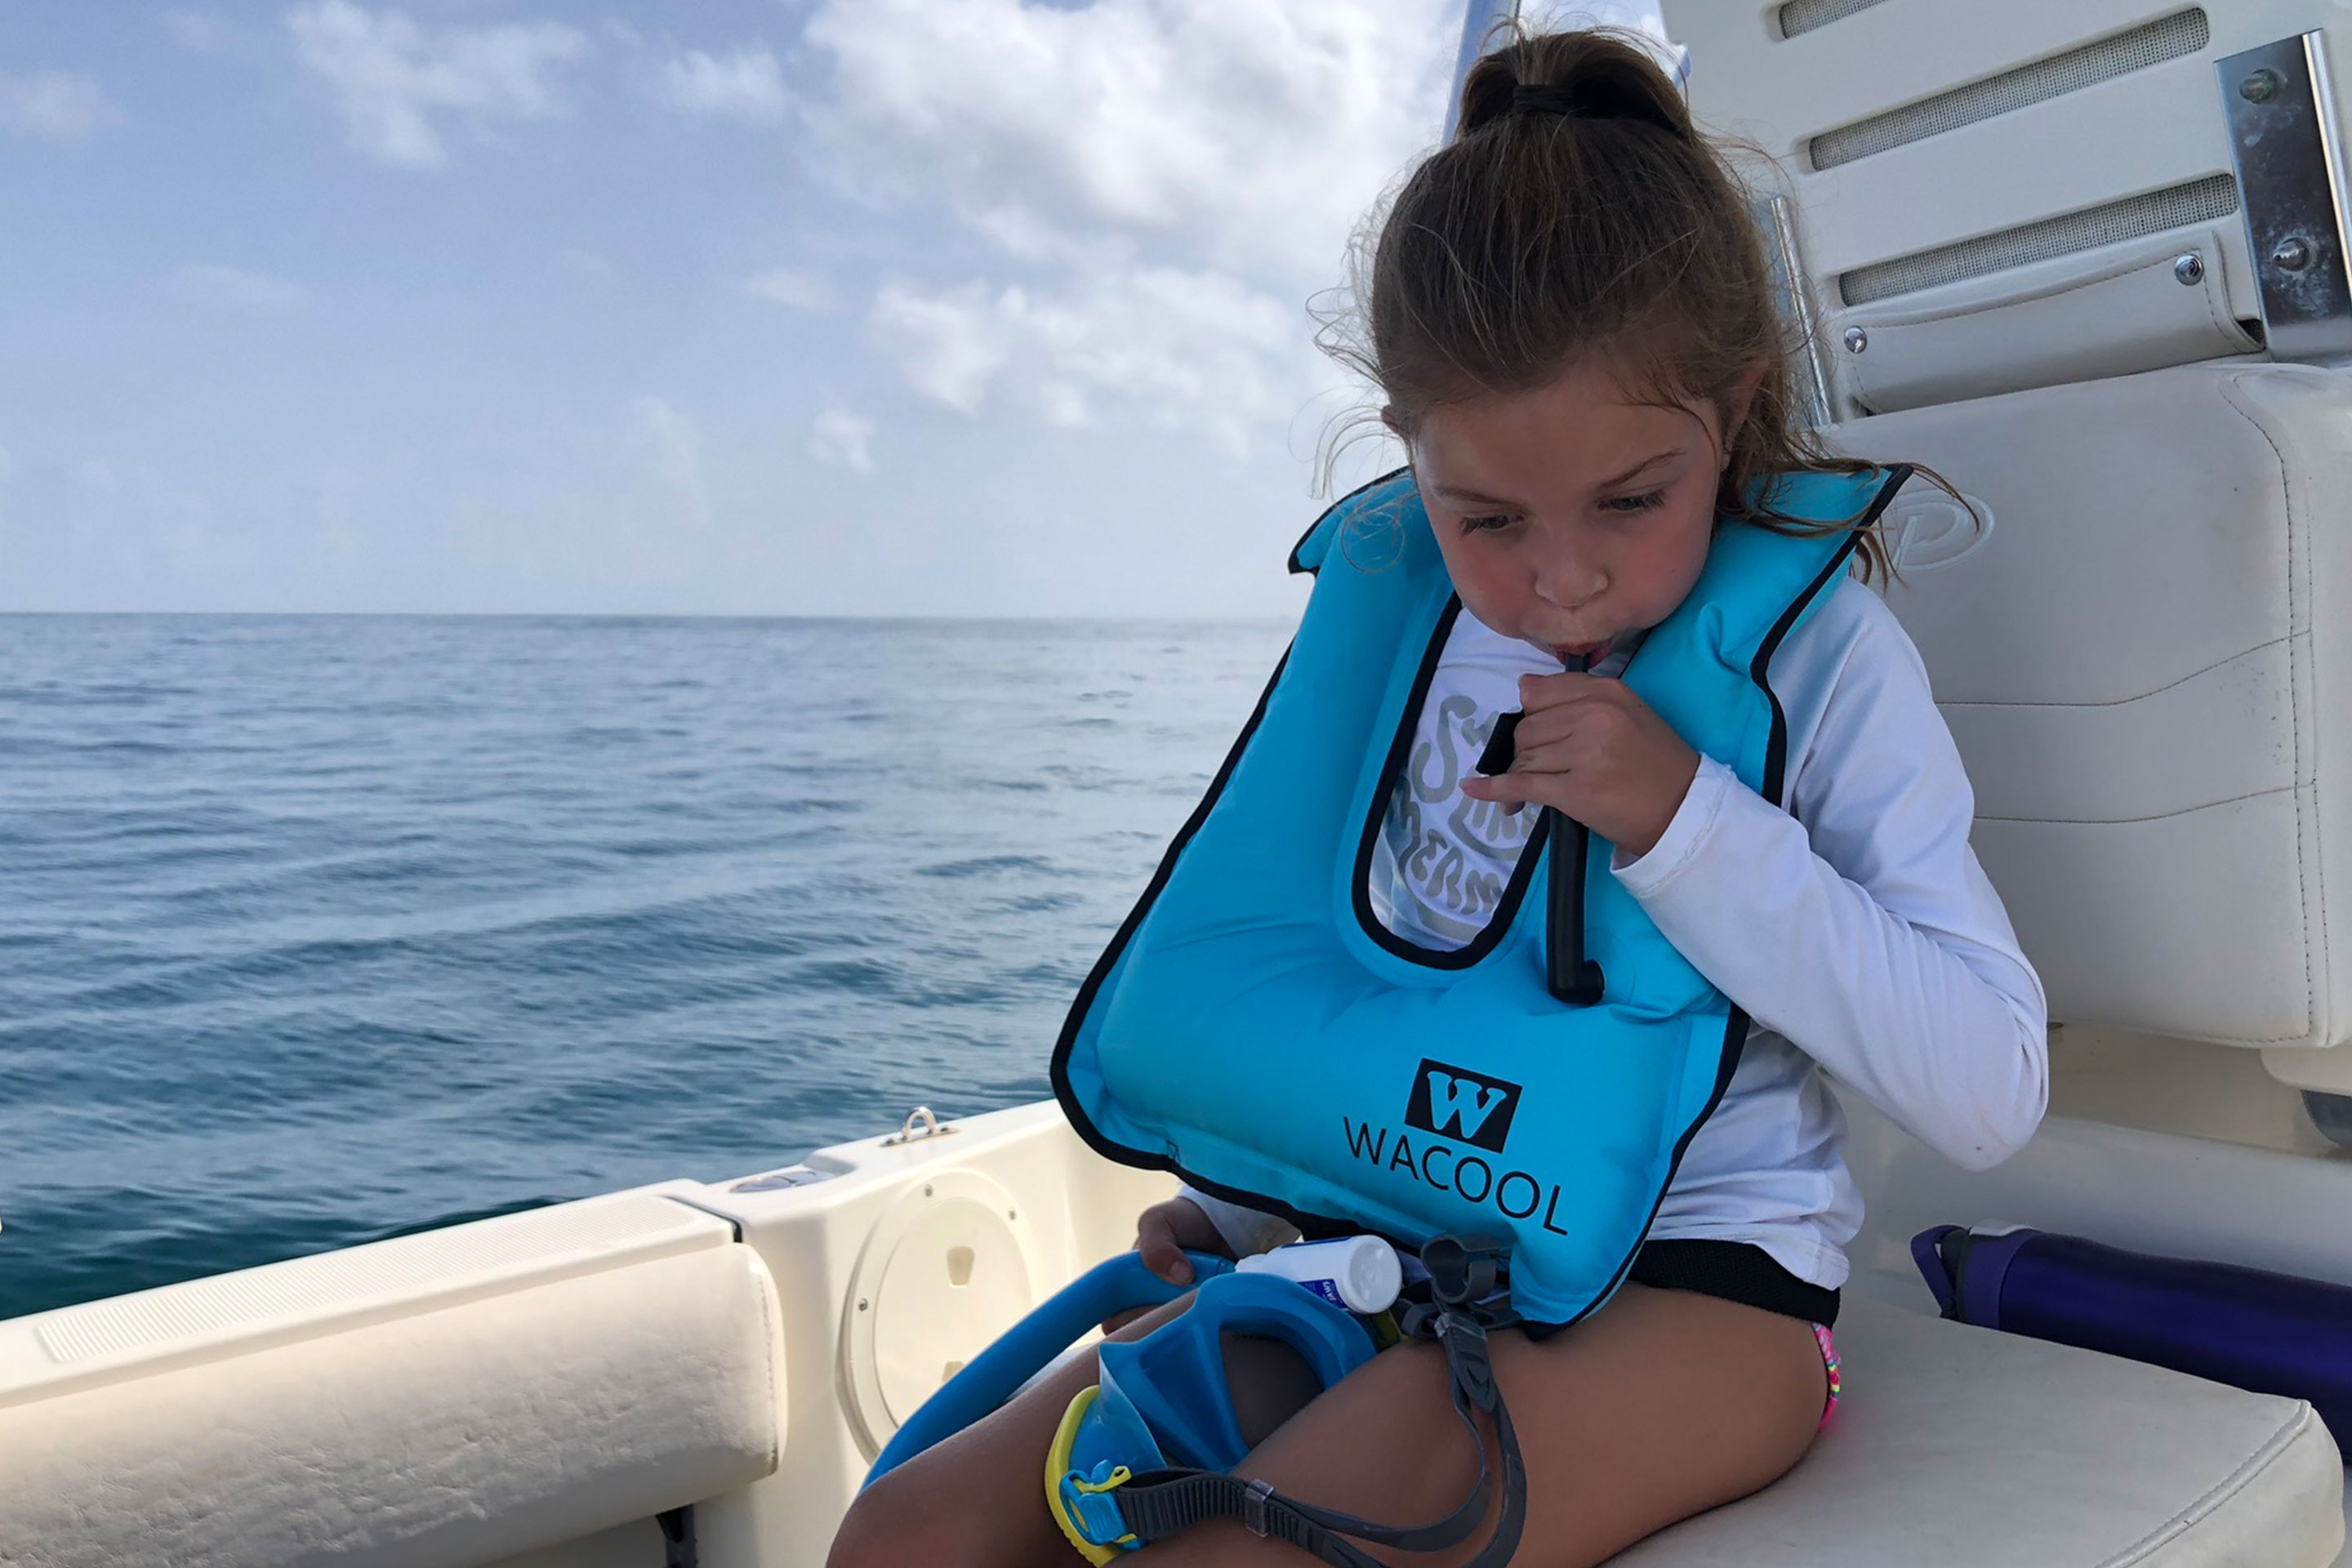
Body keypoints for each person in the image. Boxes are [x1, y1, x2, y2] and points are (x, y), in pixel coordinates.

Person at [828, 24, 2047, 1568]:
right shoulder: (1408, 631)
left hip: (1692, 1297)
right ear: (1410, 455)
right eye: (1481, 516)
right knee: (906, 1544)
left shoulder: (1821, 667)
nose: (1559, 579)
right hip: (1361, 1246)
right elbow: (1370, 994)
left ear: (1732, 414)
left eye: (1631, 500)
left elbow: (1993, 1083)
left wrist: (1686, 821)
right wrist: (1246, 1214)